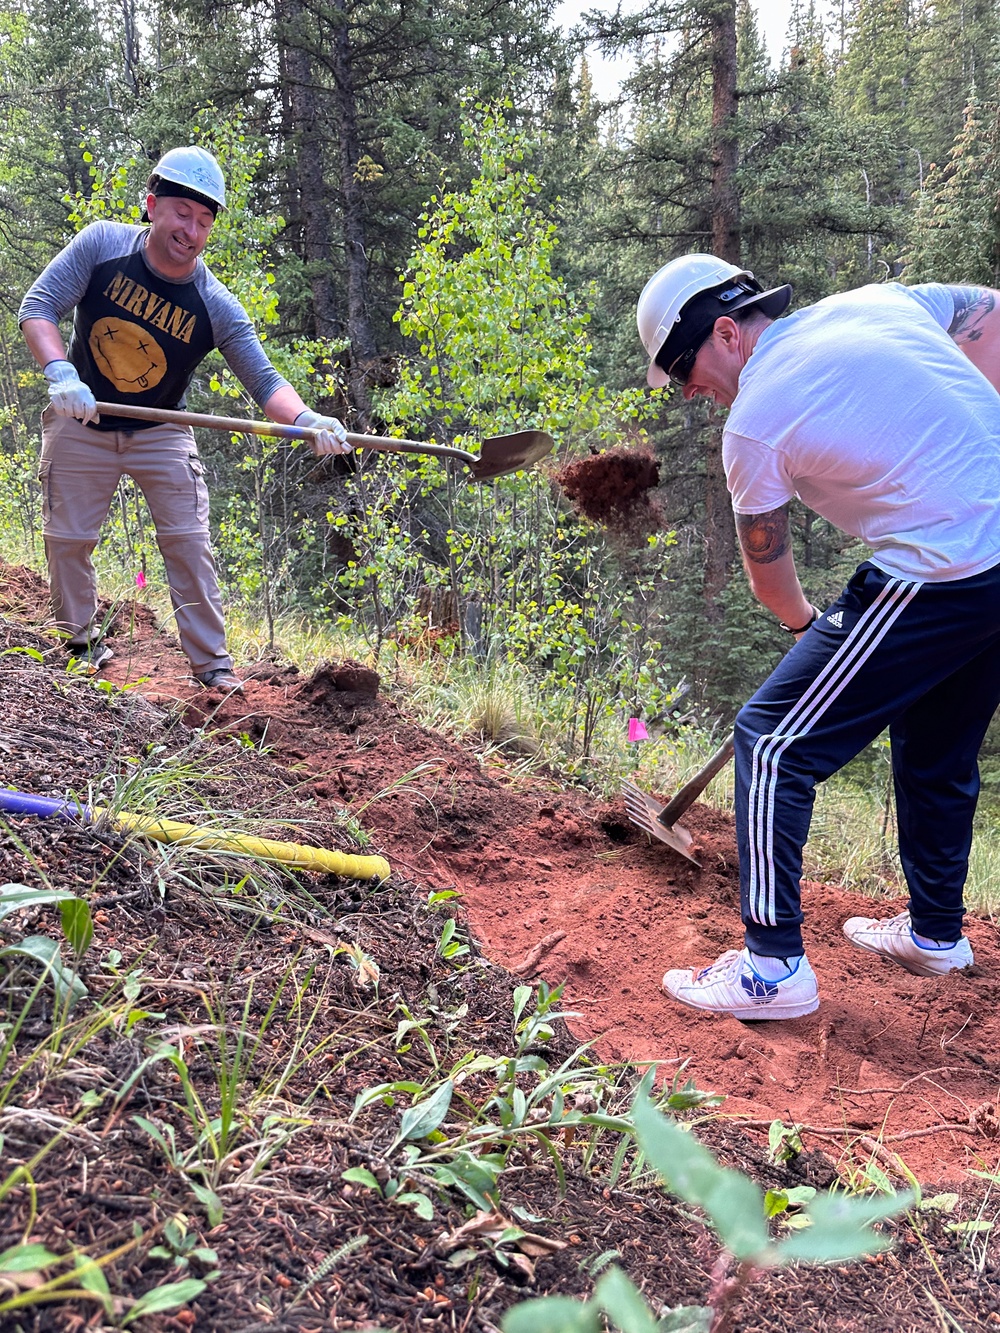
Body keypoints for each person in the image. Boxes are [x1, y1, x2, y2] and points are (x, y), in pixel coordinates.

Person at [634, 254, 1000, 1019]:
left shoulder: (755, 419)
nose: (687, 391)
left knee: (771, 741)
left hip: (947, 563)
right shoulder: (880, 300)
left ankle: (771, 970)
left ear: (728, 332)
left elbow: (772, 582)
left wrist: (814, 631)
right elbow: (989, 312)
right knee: (935, 743)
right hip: (986, 552)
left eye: (681, 368)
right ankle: (935, 936)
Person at [19, 145, 352, 692]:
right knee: (69, 539)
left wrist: (309, 419)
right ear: (151, 206)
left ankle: (212, 668)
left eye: (203, 221)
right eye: (180, 213)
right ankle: (80, 646)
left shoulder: (215, 303)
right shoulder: (103, 245)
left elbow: (266, 384)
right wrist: (60, 371)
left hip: (161, 430)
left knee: (189, 542)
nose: (191, 230)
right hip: (79, 414)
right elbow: (38, 306)